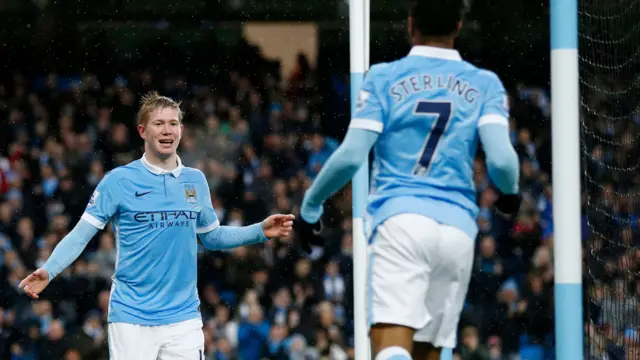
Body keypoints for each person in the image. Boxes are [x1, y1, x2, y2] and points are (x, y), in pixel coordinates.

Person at [294, 0, 521, 359]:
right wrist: (509, 192)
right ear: (458, 27)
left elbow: (353, 155)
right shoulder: (484, 83)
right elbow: (503, 160)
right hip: (458, 229)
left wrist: (310, 205)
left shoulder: (385, 77)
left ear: (411, 24)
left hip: (401, 221)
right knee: (428, 353)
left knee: (390, 349)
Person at [19, 91, 295, 360]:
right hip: (131, 316)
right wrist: (49, 270)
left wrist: (259, 230)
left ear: (181, 130)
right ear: (142, 131)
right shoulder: (119, 181)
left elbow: (212, 237)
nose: (167, 130)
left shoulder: (195, 180)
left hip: (183, 318)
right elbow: (81, 235)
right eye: (159, 123)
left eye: (173, 123)